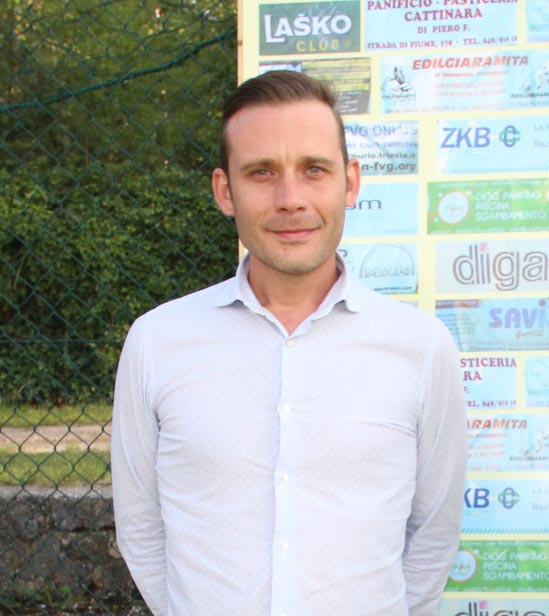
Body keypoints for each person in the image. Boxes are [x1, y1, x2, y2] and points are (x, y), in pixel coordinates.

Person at [111, 70, 467, 615]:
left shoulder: (421, 348)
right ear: (224, 191)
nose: (291, 199)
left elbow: (434, 533)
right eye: (262, 172)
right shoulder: (157, 342)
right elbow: (141, 527)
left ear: (350, 182)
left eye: (313, 169)